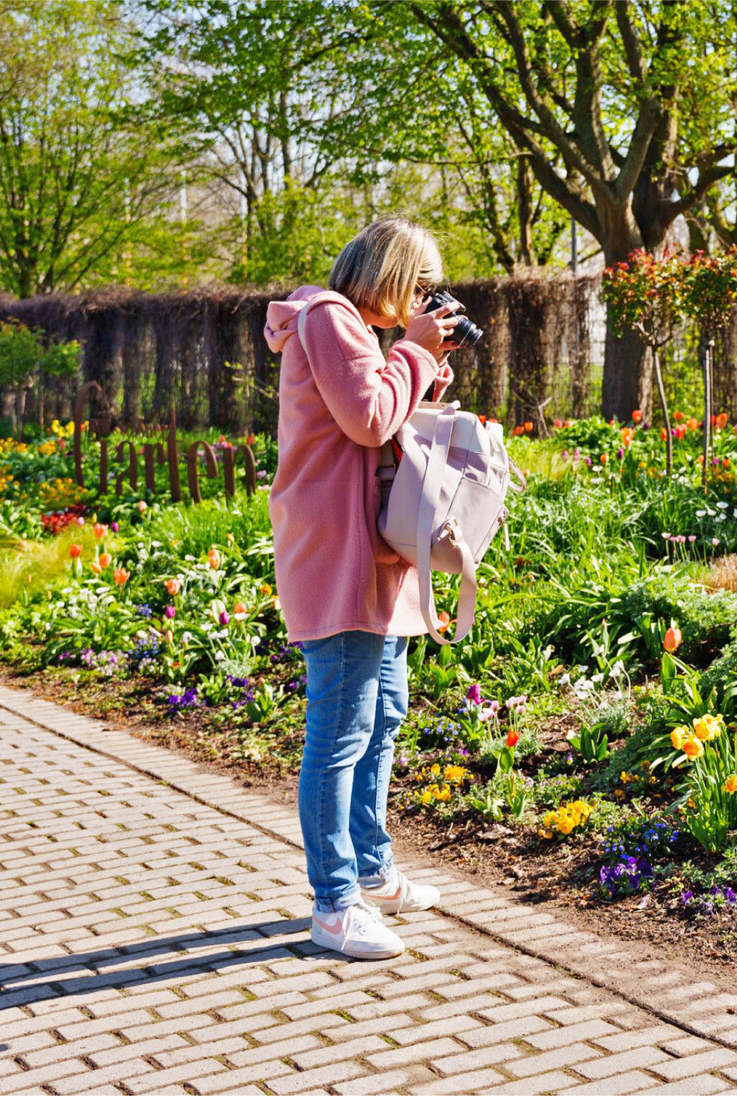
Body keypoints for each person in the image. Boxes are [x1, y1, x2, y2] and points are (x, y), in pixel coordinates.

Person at [264, 217, 460, 959]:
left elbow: (385, 410)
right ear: (388, 274)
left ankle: (370, 869)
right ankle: (334, 904)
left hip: (369, 553)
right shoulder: (330, 320)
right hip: (339, 554)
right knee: (342, 731)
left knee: (383, 714)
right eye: (420, 285)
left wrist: (426, 361)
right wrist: (414, 348)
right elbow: (371, 419)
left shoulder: (358, 333)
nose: (424, 299)